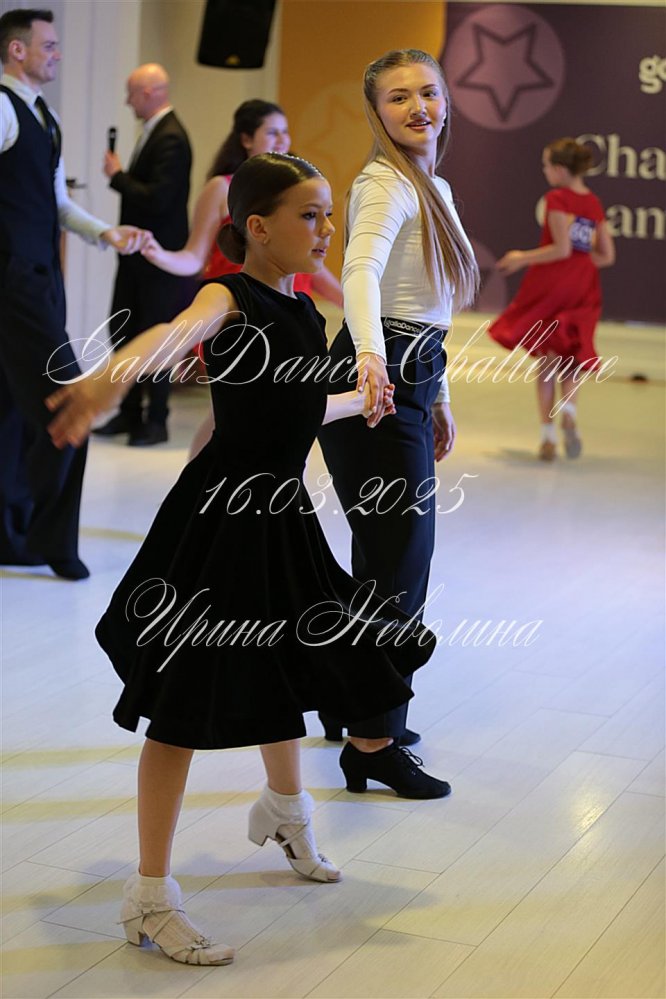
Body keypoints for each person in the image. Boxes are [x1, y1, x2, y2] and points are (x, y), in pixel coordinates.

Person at [45, 152, 436, 966]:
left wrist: (360, 400)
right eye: (309, 215)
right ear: (258, 227)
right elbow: (173, 334)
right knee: (182, 704)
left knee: (287, 663)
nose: (326, 229)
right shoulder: (231, 296)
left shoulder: (301, 311)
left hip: (279, 518)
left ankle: (286, 812)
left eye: (328, 214)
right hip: (221, 523)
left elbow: (289, 410)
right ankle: (149, 896)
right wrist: (111, 377)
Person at [318, 49, 479, 798]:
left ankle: (358, 709)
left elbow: (429, 306)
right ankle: (372, 743)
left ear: (446, 101)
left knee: (387, 560)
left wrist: (438, 395)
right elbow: (361, 274)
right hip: (376, 377)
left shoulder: (431, 184)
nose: (418, 107)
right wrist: (372, 359)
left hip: (408, 371)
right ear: (375, 111)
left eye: (428, 93)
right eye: (398, 97)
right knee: (399, 562)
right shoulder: (383, 182)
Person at [0, 7, 146, 581]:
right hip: (14, 280)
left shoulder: (47, 117)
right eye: (50, 45)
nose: (58, 54)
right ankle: (53, 541)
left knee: (10, 411)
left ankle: (11, 533)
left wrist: (106, 233)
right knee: (72, 401)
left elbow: (57, 203)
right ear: (17, 51)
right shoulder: (2, 108)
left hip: (40, 278)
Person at [142, 98, 344, 458]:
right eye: (272, 132)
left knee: (267, 411)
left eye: (285, 132)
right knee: (233, 412)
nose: (282, 140)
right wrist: (157, 254)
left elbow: (318, 269)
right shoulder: (221, 189)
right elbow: (194, 257)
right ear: (246, 139)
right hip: (244, 313)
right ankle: (205, 481)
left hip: (291, 310)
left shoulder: (298, 194)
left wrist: (359, 304)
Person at [489, 137, 615, 460]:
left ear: (559, 169)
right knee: (572, 354)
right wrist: (581, 266)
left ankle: (547, 436)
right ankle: (569, 411)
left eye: (546, 166)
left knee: (547, 359)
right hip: (584, 285)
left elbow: (560, 249)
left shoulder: (557, 198)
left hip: (555, 285)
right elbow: (606, 255)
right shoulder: (593, 202)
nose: (544, 171)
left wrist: (521, 257)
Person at [94, 63, 194, 447]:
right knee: (124, 330)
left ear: (150, 92)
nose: (127, 101)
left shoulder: (171, 138)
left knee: (156, 336)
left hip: (157, 258)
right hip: (137, 257)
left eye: (131, 93)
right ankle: (129, 410)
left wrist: (118, 177)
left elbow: (158, 199)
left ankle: (156, 419)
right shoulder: (155, 132)